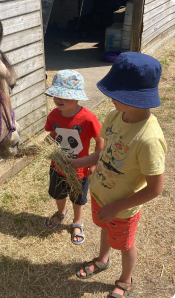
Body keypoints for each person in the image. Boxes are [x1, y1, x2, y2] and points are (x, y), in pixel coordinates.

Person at [71, 52, 167, 298]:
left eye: (116, 95)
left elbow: (155, 188)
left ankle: (125, 279)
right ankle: (103, 260)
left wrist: (118, 206)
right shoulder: (115, 116)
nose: (110, 98)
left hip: (122, 209)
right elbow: (102, 153)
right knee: (104, 228)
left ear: (136, 99)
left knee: (125, 245)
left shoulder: (149, 139)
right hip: (100, 195)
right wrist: (79, 162)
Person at [44, 69, 103, 245]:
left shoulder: (87, 119)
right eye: (56, 95)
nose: (58, 100)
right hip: (57, 166)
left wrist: (93, 162)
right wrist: (43, 146)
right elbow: (53, 135)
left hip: (79, 170)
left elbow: (100, 139)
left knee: (78, 197)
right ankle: (61, 213)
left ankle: (77, 222)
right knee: (58, 193)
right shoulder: (54, 115)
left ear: (77, 97)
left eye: (64, 96)